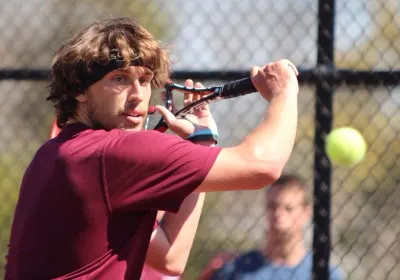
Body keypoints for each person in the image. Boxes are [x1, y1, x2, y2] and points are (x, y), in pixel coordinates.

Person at [6, 17, 299, 280]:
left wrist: (202, 144)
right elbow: (262, 165)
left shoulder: (51, 154)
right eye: (119, 79)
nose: (137, 95)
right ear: (79, 89)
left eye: (145, 80)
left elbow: (171, 258)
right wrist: (284, 93)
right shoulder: (113, 154)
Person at [199, 174, 344, 280]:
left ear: (306, 213)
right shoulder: (235, 268)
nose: (278, 214)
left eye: (288, 208)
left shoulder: (325, 273)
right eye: (272, 206)